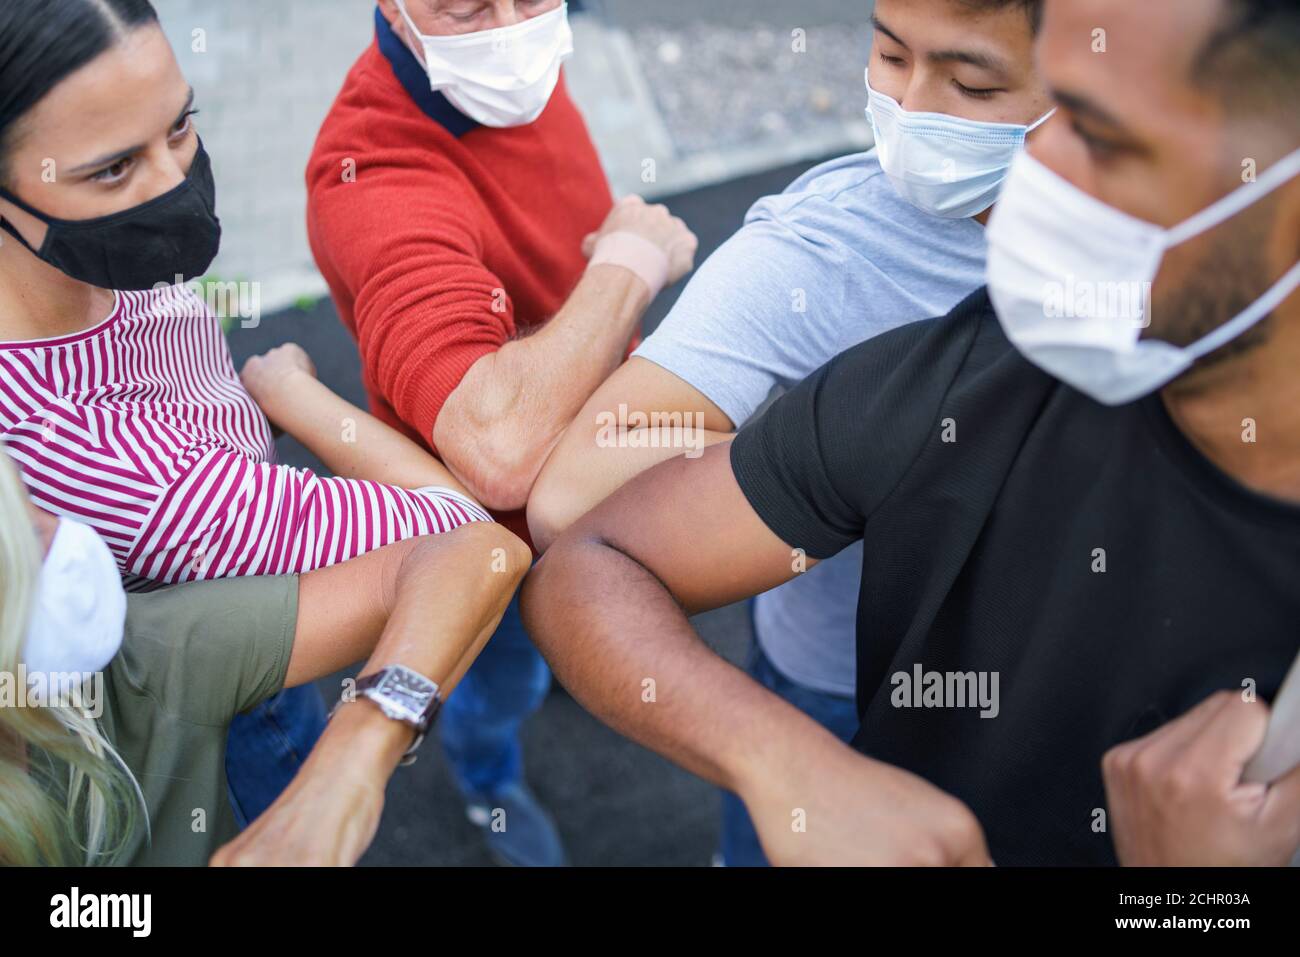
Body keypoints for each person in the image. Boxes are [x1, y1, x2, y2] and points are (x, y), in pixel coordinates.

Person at [521, 0, 1300, 866]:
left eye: (1103, 137)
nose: (1040, 174)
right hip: (825, 684)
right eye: (891, 57)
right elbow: (588, 547)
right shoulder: (958, 368)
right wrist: (794, 766)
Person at [527, 0, 1051, 865]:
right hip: (836, 684)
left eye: (969, 82)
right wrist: (797, 448)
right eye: (888, 56)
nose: (913, 110)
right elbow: (574, 504)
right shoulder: (824, 250)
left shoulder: (1191, 246)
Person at [0, 0, 495, 827]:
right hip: (241, 696)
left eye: (181, 126)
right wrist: (294, 398)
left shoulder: (87, 250)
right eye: (114, 170)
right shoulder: (124, 473)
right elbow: (465, 535)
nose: (175, 189)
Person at [305, 0, 697, 865]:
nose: (513, 29)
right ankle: (489, 783)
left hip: (595, 468)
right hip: (491, 534)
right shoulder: (372, 173)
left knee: (566, 635)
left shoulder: (506, 81)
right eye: (467, 7)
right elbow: (498, 447)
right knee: (499, 677)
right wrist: (628, 264)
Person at [0, 451, 531, 866]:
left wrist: (343, 772)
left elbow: (478, 551)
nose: (64, 526)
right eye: (18, 529)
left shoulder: (142, 659)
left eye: (24, 494)